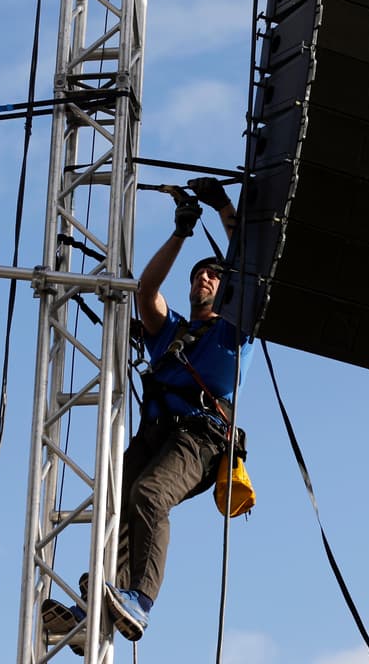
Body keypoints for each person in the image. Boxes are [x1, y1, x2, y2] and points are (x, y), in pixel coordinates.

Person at [42, 176, 253, 651]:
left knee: (150, 493)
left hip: (200, 440)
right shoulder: (170, 331)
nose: (203, 279)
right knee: (115, 501)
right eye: (197, 275)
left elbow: (249, 265)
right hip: (156, 434)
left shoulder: (233, 332)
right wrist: (181, 231)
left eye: (213, 275)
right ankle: (94, 610)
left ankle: (140, 600)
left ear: (227, 289)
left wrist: (223, 206)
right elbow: (147, 290)